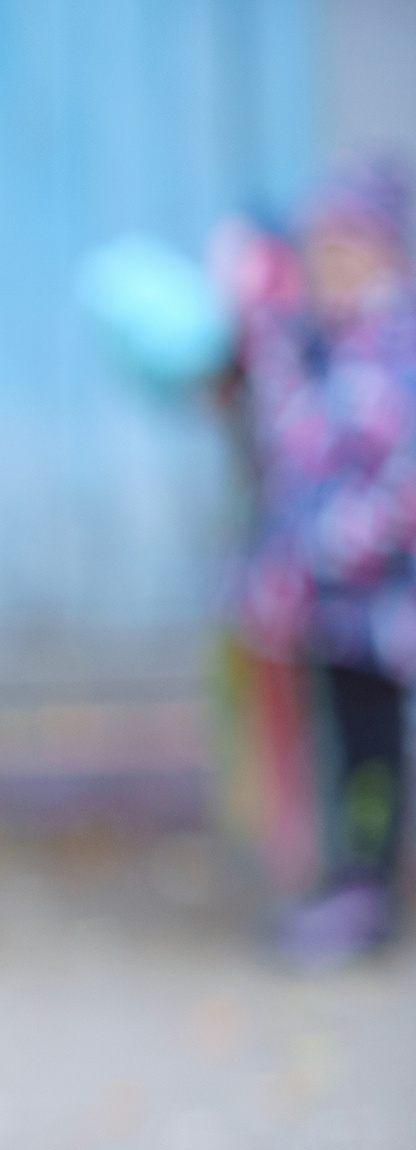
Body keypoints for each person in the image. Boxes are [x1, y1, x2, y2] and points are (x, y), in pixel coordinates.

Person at [216, 160, 416, 964]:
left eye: (347, 251)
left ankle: (368, 887)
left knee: (381, 744)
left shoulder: (398, 351)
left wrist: (336, 541)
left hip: (388, 605)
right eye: (319, 253)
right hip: (332, 614)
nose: (330, 269)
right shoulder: (311, 347)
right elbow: (282, 441)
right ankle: (357, 886)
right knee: (355, 750)